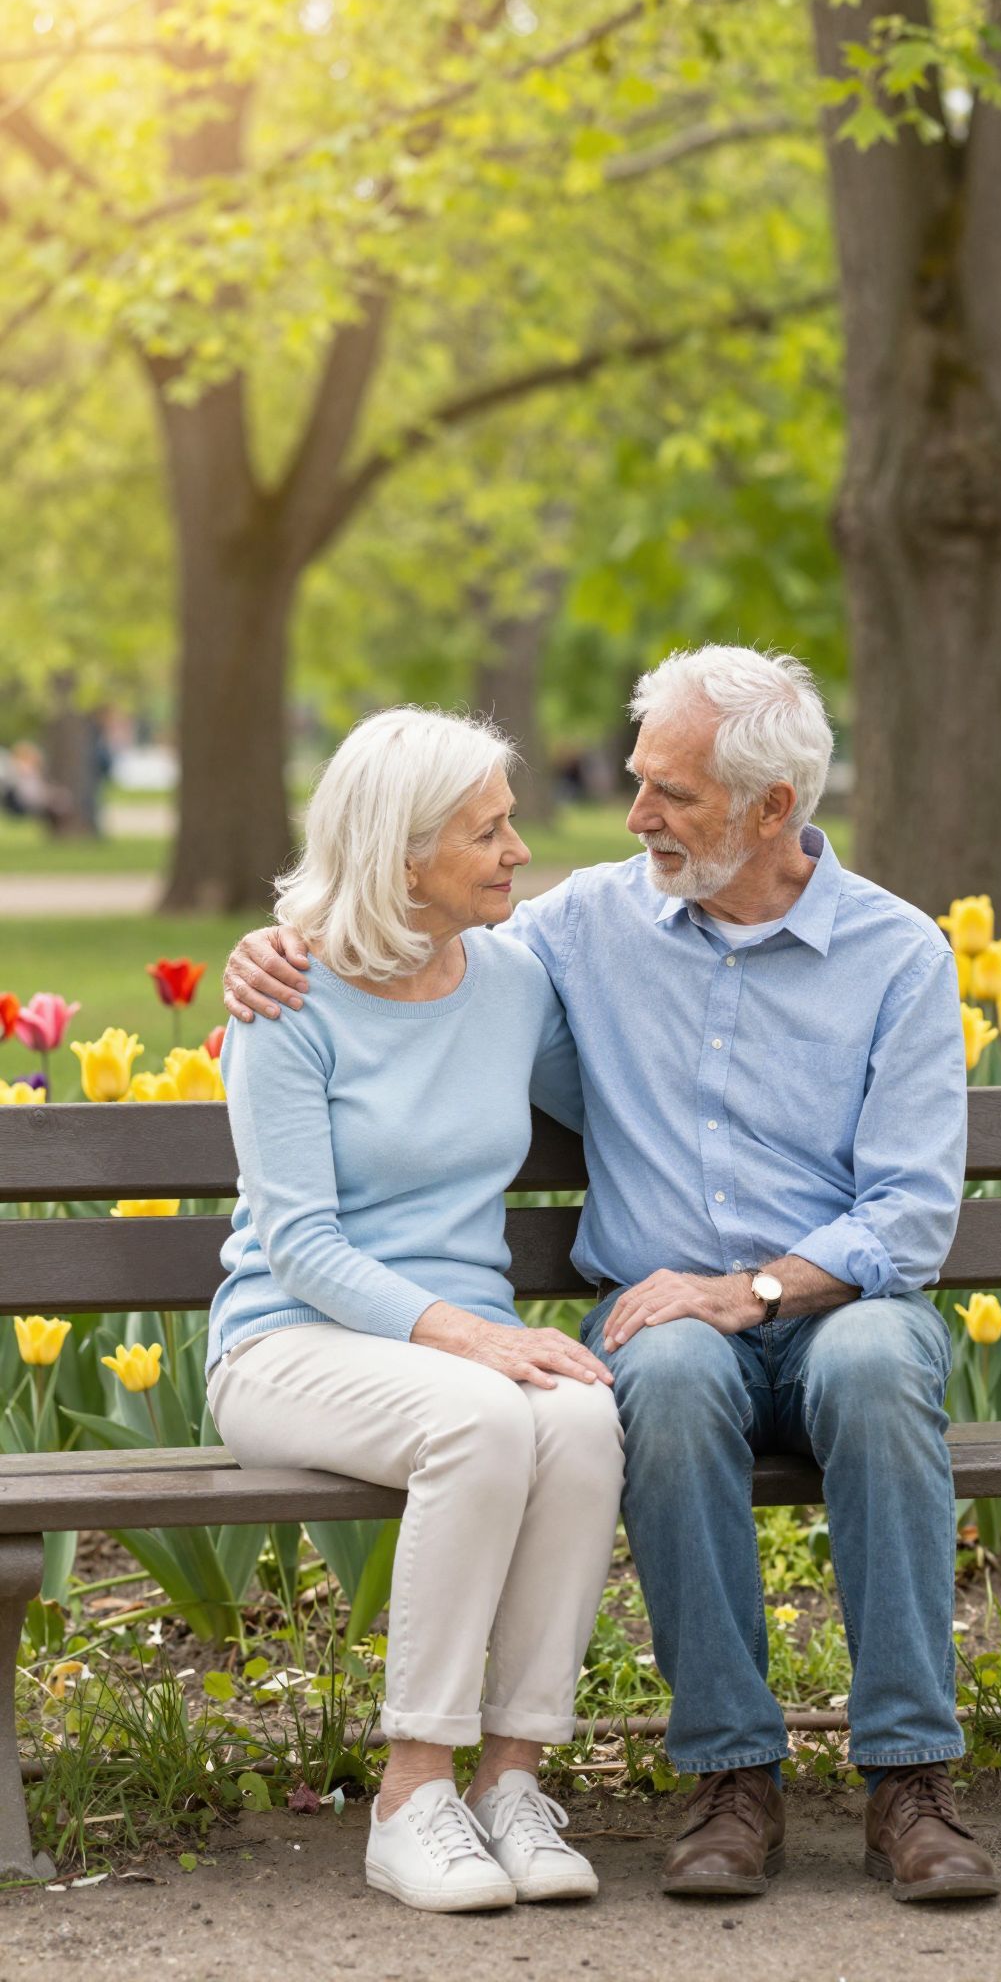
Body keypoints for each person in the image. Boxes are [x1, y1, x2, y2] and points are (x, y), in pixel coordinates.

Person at [225, 645, 1001, 1906]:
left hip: (834, 1303)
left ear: (770, 809)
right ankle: (732, 1777)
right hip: (652, 1320)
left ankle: (909, 1779)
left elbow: (911, 1214)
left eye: (672, 794)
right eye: (638, 782)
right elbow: (397, 934)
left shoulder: (897, 954)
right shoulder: (580, 927)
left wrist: (748, 1286)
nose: (632, 815)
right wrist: (265, 949)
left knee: (868, 1364)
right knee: (671, 1373)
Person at [208, 705, 624, 1913]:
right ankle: (409, 1795)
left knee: (585, 1418)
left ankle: (510, 1781)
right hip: (290, 1344)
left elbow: (618, 1107)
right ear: (400, 855)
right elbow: (301, 1240)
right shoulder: (286, 996)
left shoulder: (509, 979)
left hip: (459, 1356)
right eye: (487, 830)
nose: (517, 850)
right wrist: (475, 1336)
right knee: (489, 1416)